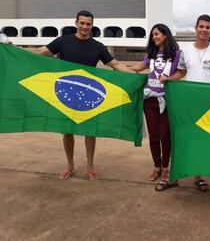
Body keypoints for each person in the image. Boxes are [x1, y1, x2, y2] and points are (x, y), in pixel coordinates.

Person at [29, 10, 134, 181]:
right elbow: (41, 51)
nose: (85, 27)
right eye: (82, 23)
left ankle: (90, 166)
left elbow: (115, 64)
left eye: (88, 24)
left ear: (92, 25)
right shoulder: (63, 41)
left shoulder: (97, 46)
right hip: (65, 93)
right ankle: (70, 165)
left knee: (90, 131)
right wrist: (15, 49)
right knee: (67, 131)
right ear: (76, 23)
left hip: (89, 94)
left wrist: (135, 76)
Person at [160, 14, 210, 192]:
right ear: (196, 28)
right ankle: (175, 176)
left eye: (207, 27)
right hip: (187, 102)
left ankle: (199, 176)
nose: (204, 30)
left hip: (207, 103)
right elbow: (181, 73)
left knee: (201, 140)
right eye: (201, 26)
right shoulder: (184, 51)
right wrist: (168, 79)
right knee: (182, 138)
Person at [129, 23, 180, 191]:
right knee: (154, 136)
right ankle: (156, 166)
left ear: (165, 35)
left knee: (166, 135)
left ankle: (166, 166)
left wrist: (170, 78)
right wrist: (118, 68)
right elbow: (139, 67)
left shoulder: (177, 55)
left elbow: (183, 72)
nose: (154, 37)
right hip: (149, 100)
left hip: (167, 100)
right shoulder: (151, 55)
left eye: (157, 34)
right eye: (153, 35)